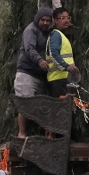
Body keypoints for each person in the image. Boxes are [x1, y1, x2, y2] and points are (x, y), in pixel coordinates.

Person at [15, 7, 55, 137]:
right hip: (26, 73)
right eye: (43, 20)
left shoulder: (49, 33)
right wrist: (39, 60)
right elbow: (29, 48)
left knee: (43, 106)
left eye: (48, 20)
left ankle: (47, 134)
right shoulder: (30, 30)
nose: (45, 23)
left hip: (41, 76)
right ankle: (22, 133)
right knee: (25, 103)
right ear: (37, 19)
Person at [45, 7, 79, 99]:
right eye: (63, 18)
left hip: (64, 78)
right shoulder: (56, 35)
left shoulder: (61, 35)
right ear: (55, 20)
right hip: (58, 80)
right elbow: (53, 53)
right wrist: (66, 66)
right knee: (62, 106)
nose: (66, 21)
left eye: (68, 18)